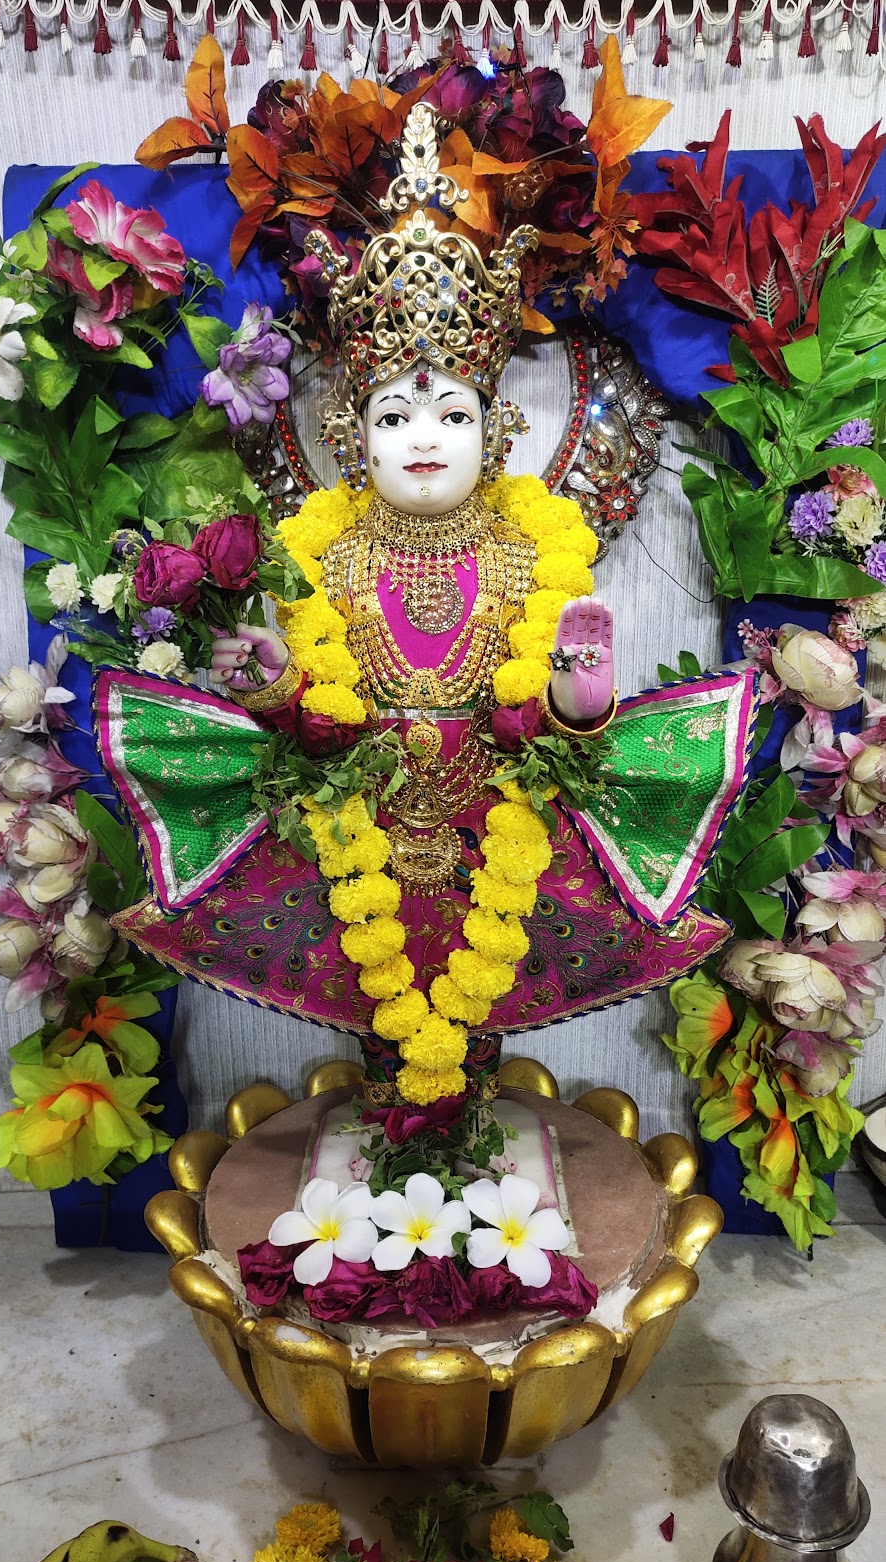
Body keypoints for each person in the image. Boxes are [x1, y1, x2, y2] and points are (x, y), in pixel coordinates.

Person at [99, 105, 757, 1108]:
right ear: (346, 430)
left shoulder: (522, 546)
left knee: (477, 1002)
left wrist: (582, 696)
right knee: (378, 999)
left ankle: (471, 1139)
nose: (422, 437)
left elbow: (551, 726)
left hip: (499, 823)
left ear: (494, 433)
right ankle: (387, 1143)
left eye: (450, 414)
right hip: (351, 825)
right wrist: (273, 685)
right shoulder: (329, 551)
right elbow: (311, 717)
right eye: (394, 414)